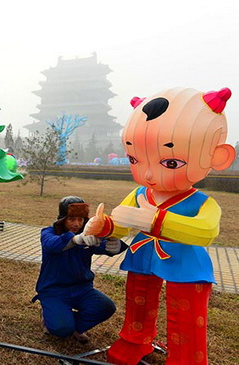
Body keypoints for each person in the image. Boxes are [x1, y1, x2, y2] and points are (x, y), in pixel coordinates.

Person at [84, 88, 235, 364]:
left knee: (186, 315)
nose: (150, 173)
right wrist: (104, 225)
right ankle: (134, 341)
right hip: (143, 257)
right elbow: (121, 222)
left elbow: (206, 231)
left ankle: (187, 358)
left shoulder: (202, 202)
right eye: (135, 160)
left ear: (217, 156)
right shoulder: (141, 193)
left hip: (186, 264)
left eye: (170, 162)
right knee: (137, 306)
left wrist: (156, 221)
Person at [33, 196, 128, 343]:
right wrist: (75, 240)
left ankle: (76, 327)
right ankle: (49, 315)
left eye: (81, 219)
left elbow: (104, 245)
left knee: (106, 307)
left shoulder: (90, 236)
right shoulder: (48, 232)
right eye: (71, 219)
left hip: (82, 289)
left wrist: (115, 245)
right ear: (62, 218)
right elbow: (51, 245)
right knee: (61, 330)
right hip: (54, 290)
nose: (77, 224)